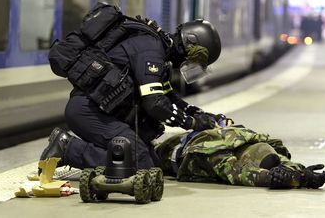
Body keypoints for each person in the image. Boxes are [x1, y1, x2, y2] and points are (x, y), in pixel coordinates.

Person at [38, 11, 225, 175]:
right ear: (190, 43)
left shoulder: (159, 51)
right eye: (195, 60)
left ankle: (80, 151)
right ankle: (67, 148)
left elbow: (168, 97)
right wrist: (191, 123)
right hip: (89, 111)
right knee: (139, 165)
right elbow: (155, 103)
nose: (189, 65)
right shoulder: (151, 51)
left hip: (102, 112)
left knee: (154, 168)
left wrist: (197, 113)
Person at [154, 120, 325, 189]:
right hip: (165, 151)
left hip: (195, 135)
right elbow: (239, 174)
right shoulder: (216, 153)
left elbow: (280, 162)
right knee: (145, 153)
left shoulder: (257, 142)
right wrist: (273, 178)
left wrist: (302, 174)